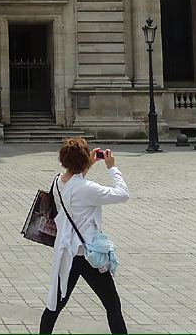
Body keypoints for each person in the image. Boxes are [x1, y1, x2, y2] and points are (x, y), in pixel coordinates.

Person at [39, 137, 129, 334]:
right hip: (88, 256)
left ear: (63, 160)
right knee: (112, 305)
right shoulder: (88, 189)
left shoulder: (57, 182)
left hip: (66, 254)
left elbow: (74, 181)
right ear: (82, 161)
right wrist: (112, 167)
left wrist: (87, 164)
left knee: (54, 306)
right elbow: (123, 193)